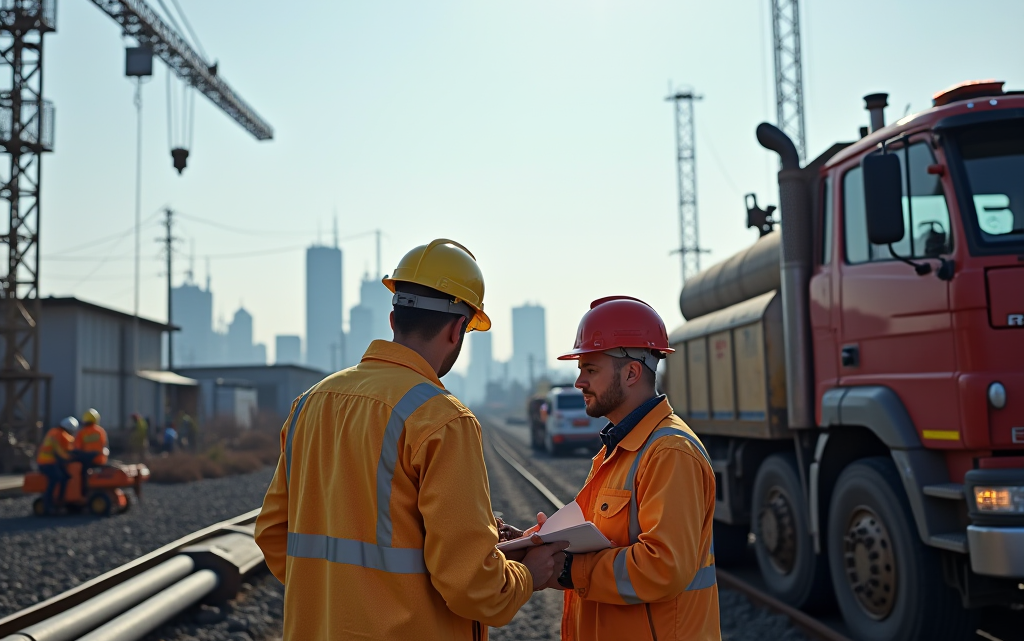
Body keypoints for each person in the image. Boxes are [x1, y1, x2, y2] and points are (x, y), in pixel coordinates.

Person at [255, 239, 567, 639]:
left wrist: (343, 596)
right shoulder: (443, 420)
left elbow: (272, 534)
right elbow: (474, 588)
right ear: (458, 329)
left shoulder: (310, 405)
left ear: (393, 319)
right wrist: (528, 573)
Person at [511, 296, 721, 641]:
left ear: (632, 372)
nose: (579, 382)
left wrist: (568, 570)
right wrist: (532, 544)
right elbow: (603, 542)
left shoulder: (669, 452)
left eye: (590, 370)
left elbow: (663, 568)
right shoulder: (620, 449)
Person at [36, 417, 77, 514]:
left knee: (64, 477)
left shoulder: (53, 431)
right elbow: (60, 451)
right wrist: (71, 457)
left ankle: (60, 501)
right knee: (56, 478)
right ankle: (48, 505)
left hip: (45, 462)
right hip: (47, 463)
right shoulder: (60, 435)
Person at [72, 408, 109, 492]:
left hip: (88, 461)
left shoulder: (82, 432)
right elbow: (105, 445)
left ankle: (82, 490)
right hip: (100, 459)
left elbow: (77, 448)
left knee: (79, 471)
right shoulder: (100, 431)